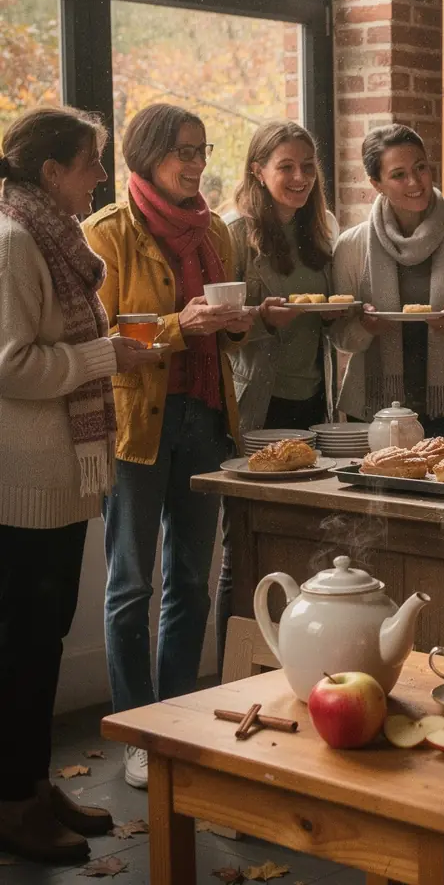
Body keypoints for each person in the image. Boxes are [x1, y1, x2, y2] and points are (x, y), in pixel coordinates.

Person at [0, 107, 160, 863]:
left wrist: (106, 345)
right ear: (51, 174)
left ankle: (30, 787)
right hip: (23, 485)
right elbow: (9, 365)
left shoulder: (52, 242)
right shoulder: (12, 244)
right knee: (23, 650)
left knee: (40, 641)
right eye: (91, 163)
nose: (102, 175)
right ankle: (13, 804)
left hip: (57, 479)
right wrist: (105, 358)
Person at [83, 103, 254, 791]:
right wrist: (182, 325)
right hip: (137, 425)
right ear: (146, 154)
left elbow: (225, 330)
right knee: (130, 586)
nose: (197, 163)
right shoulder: (104, 233)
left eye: (203, 150)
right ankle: (137, 729)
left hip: (206, 418)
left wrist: (237, 323)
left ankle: (177, 720)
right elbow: (107, 344)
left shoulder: (215, 228)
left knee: (189, 579)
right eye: (184, 151)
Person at [215, 119, 339, 671]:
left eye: (308, 166)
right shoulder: (234, 233)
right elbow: (220, 327)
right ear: (257, 171)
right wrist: (264, 320)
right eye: (285, 166)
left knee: (308, 540)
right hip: (254, 408)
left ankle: (298, 667)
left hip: (314, 406)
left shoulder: (322, 230)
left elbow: (330, 320)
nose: (299, 177)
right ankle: (232, 670)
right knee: (244, 550)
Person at [332, 123, 444, 438]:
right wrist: (365, 328)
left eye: (421, 168)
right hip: (373, 410)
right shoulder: (351, 245)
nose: (415, 182)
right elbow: (340, 336)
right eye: (398, 175)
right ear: (376, 183)